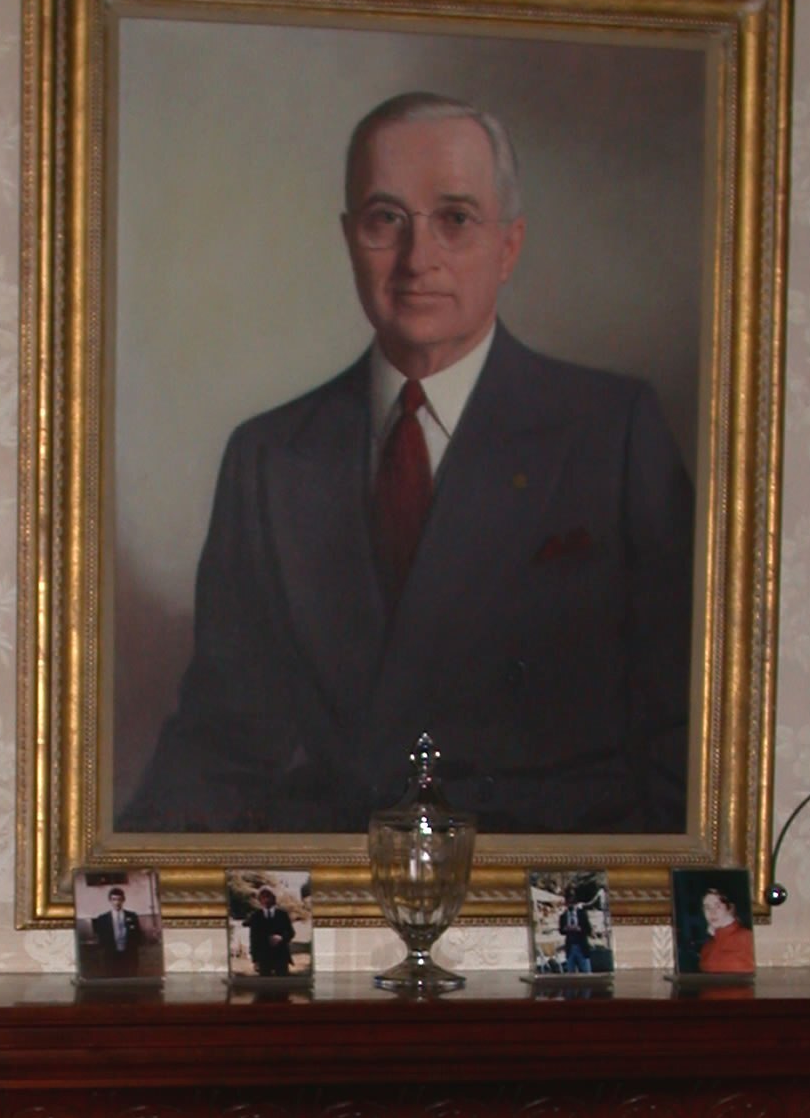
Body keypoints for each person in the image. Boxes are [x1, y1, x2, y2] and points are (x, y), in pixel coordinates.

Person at [121, 90, 694, 838]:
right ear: (348, 239)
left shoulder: (610, 433)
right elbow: (221, 742)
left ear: (509, 245)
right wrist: (116, 886)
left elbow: (686, 733)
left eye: (455, 219)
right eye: (386, 219)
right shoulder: (269, 458)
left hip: (535, 887)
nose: (418, 259)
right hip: (332, 885)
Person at [697, 886, 754, 975]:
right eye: (707, 907)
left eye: (718, 906)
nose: (712, 912)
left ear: (730, 908)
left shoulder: (747, 938)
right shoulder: (707, 947)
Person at [244, 885, 297, 978]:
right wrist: (255, 960)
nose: (266, 899)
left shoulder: (282, 915)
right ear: (260, 900)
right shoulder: (256, 916)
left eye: (268, 896)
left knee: (282, 984)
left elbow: (291, 933)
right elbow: (253, 939)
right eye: (263, 897)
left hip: (281, 956)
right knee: (265, 985)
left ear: (274, 898)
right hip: (263, 957)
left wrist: (281, 938)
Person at [89, 886, 144, 961]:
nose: (117, 903)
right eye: (114, 899)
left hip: (129, 954)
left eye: (119, 899)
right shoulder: (103, 918)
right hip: (111, 955)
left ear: (123, 900)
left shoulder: (132, 916)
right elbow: (101, 937)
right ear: (110, 900)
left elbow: (137, 934)